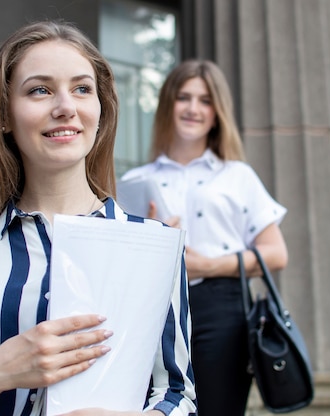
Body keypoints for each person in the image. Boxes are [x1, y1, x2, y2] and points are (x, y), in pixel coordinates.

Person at [0, 21, 196, 416]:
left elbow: (175, 396)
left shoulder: (155, 247)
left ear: (101, 112)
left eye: (82, 89)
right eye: (40, 90)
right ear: (4, 115)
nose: (65, 107)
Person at [120, 60, 288, 416]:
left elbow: (276, 254)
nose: (194, 109)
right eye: (184, 98)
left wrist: (209, 264)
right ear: (168, 104)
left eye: (205, 100)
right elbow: (121, 265)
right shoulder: (136, 180)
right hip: (154, 309)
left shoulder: (237, 175)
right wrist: (150, 238)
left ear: (217, 113)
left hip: (222, 310)